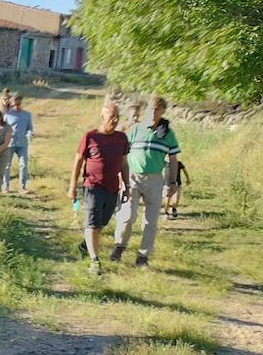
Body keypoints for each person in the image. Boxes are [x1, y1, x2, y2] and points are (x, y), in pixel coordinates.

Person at [110, 96, 180, 268]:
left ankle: (143, 256)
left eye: (157, 110)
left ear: (163, 111)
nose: (153, 113)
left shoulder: (168, 134)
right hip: (133, 176)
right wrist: (120, 174)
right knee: (127, 215)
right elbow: (122, 152)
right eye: (150, 109)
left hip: (155, 178)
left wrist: (172, 182)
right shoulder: (136, 129)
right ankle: (119, 246)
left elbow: (173, 159)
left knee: (150, 220)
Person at [69, 100, 131, 275]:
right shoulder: (90, 137)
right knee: (92, 223)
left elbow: (124, 164)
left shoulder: (121, 138)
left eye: (117, 117)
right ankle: (94, 261)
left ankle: (85, 245)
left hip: (113, 188)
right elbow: (78, 162)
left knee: (102, 223)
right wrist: (72, 186)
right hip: (92, 186)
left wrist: (127, 185)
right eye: (111, 117)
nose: (115, 120)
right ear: (102, 117)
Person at [2, 93, 34, 194]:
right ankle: (5, 187)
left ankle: (22, 187)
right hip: (9, 144)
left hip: (22, 144)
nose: (16, 106)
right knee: (6, 165)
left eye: (18, 104)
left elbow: (30, 128)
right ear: (11, 104)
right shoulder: (7, 115)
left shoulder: (27, 115)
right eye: (13, 105)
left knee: (23, 165)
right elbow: (2, 129)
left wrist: (29, 135)